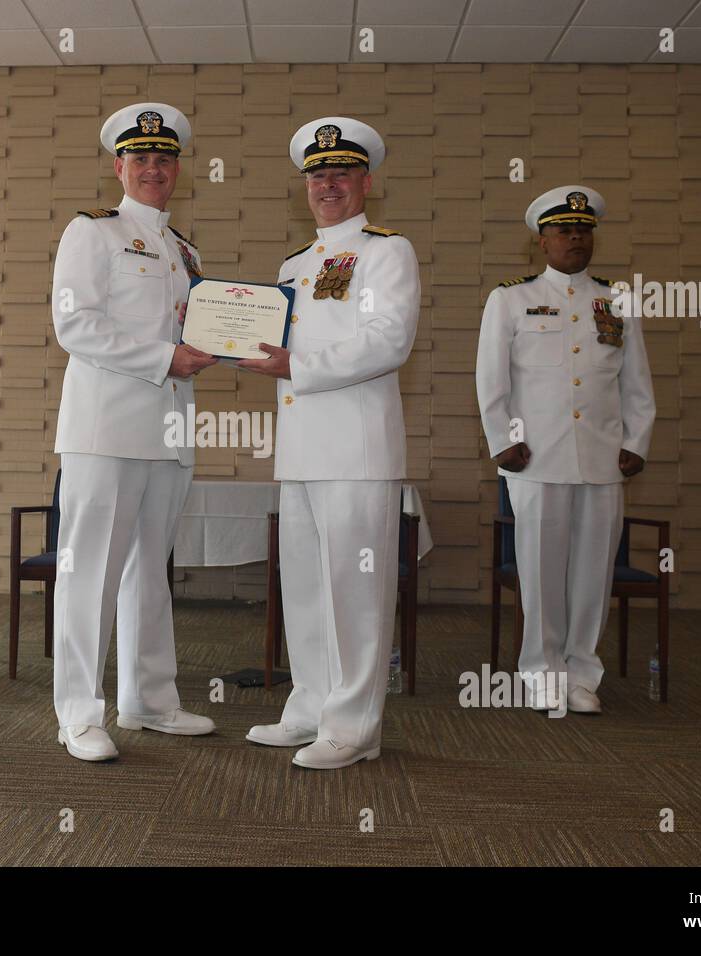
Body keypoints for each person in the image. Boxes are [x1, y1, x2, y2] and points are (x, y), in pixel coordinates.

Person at [240, 117, 420, 769]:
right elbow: (272, 343)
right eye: (318, 175)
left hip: (358, 451)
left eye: (342, 172)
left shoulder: (385, 251)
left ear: (366, 180)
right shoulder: (294, 264)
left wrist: (296, 366)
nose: (329, 184)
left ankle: (355, 729)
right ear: (305, 187)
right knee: (309, 590)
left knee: (356, 591)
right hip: (302, 451)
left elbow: (387, 341)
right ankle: (311, 707)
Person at [50, 103, 218, 762]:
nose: (153, 168)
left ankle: (149, 700)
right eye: (140, 158)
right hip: (106, 429)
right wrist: (163, 357)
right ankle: (78, 712)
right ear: (120, 166)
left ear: (177, 169)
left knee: (150, 572)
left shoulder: (184, 251)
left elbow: (194, 334)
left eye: (164, 158)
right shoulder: (92, 232)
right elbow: (76, 325)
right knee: (90, 572)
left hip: (169, 431)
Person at [474, 185, 655, 714]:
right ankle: (541, 672)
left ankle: (582, 675)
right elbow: (491, 379)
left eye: (584, 230)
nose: (575, 238)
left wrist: (636, 442)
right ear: (541, 241)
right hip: (536, 458)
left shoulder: (617, 301)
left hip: (602, 458)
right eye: (563, 230)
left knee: (594, 572)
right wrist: (503, 441)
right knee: (540, 569)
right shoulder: (510, 298)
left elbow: (637, 384)